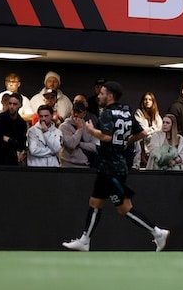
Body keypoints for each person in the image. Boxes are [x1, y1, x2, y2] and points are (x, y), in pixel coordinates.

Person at [62, 82, 170, 252]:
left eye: (102, 93)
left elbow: (106, 137)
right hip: (110, 165)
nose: (98, 95)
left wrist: (90, 130)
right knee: (95, 202)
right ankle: (85, 240)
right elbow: (141, 133)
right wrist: (126, 141)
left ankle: (157, 232)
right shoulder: (127, 111)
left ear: (110, 96)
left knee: (125, 209)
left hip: (112, 167)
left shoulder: (107, 113)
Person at [60, 101, 98, 168]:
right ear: (71, 112)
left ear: (84, 114)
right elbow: (71, 145)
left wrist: (79, 143)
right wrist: (79, 129)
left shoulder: (88, 127)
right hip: (67, 166)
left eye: (79, 112)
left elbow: (95, 147)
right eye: (74, 111)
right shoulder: (64, 127)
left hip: (84, 166)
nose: (76, 114)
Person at [0, 93, 27, 165]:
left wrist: (8, 139)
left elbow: (21, 145)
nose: (11, 106)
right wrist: (13, 142)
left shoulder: (22, 123)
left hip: (12, 160)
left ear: (20, 105)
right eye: (10, 103)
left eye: (14, 104)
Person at [134, 91, 162, 168]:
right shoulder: (139, 113)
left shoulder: (156, 114)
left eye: (150, 99)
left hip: (155, 147)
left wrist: (149, 131)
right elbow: (143, 131)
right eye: (145, 99)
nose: (147, 101)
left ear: (153, 102)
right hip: (143, 147)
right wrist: (154, 130)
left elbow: (160, 129)